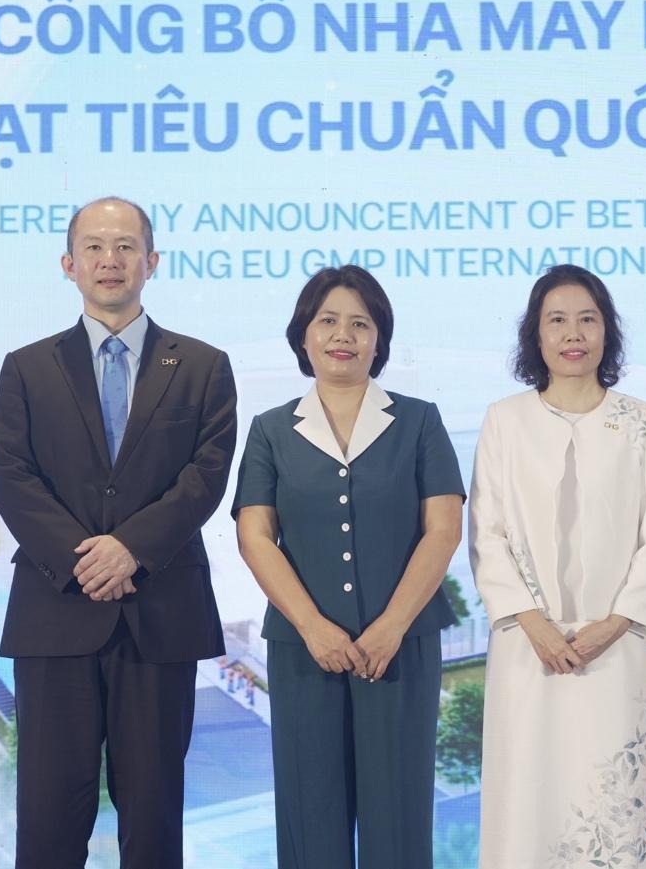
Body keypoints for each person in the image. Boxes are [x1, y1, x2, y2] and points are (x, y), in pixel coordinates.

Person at [0, 197, 237, 869]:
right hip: (55, 608)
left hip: (160, 611)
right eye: (94, 246)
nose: (110, 259)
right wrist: (85, 561)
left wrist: (132, 549)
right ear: (68, 265)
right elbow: (12, 475)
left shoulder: (203, 365)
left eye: (126, 246)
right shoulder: (27, 367)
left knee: (153, 814)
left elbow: (206, 474)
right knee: (48, 813)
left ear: (152, 262)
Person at [233, 265, 464, 869]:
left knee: (399, 817)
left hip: (401, 647)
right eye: (328, 321)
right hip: (303, 649)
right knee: (310, 817)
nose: (344, 335)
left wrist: (391, 626)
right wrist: (312, 625)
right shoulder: (270, 430)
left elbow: (443, 529)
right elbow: (254, 536)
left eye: (360, 324)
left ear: (379, 338)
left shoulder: (419, 420)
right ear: (303, 335)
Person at [470, 264, 646, 869]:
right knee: (526, 800)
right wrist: (533, 624)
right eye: (556, 320)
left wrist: (614, 624)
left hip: (616, 648)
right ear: (535, 335)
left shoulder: (641, 420)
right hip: (526, 646)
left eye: (588, 319)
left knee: (611, 806)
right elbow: (486, 531)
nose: (573, 334)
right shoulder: (505, 419)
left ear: (607, 331)